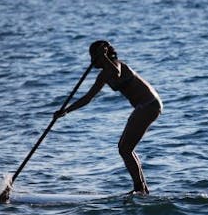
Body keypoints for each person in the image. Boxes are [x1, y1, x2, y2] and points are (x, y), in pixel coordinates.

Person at [54, 40, 162, 194]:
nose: (92, 60)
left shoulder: (117, 64)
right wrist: (65, 111)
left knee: (125, 149)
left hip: (149, 104)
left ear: (103, 55)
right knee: (126, 149)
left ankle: (140, 189)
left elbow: (116, 73)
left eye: (93, 56)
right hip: (146, 106)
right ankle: (142, 188)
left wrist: (104, 57)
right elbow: (88, 98)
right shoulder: (103, 75)